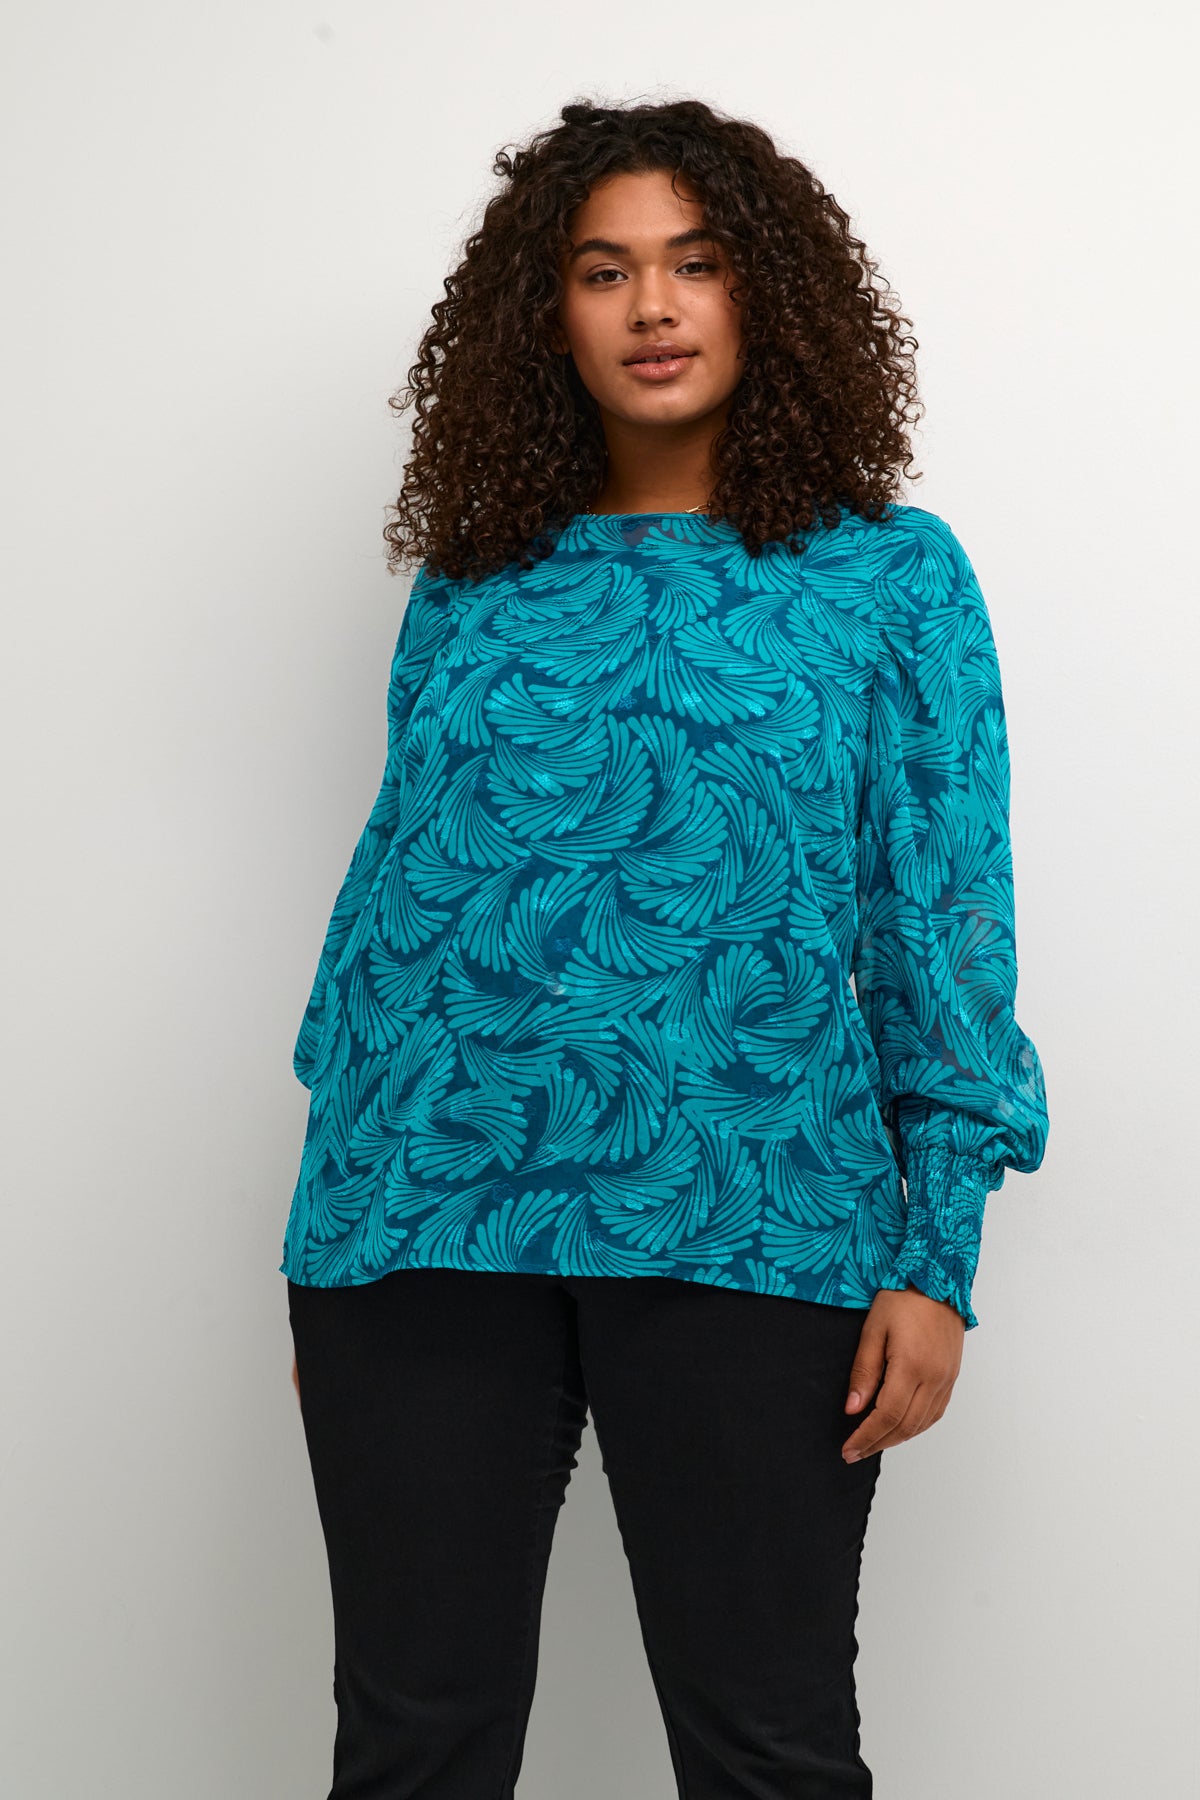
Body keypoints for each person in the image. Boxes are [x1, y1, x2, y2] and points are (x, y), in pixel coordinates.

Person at [282, 96, 1049, 1798]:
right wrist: (342, 1167)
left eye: (696, 264)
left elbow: (940, 916)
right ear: (543, 314)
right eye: (604, 269)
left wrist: (938, 1252)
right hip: (419, 1218)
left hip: (755, 1217)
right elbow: (404, 888)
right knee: (413, 1745)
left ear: (766, 293)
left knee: (769, 1749)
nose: (652, 306)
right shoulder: (474, 579)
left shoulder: (887, 577)